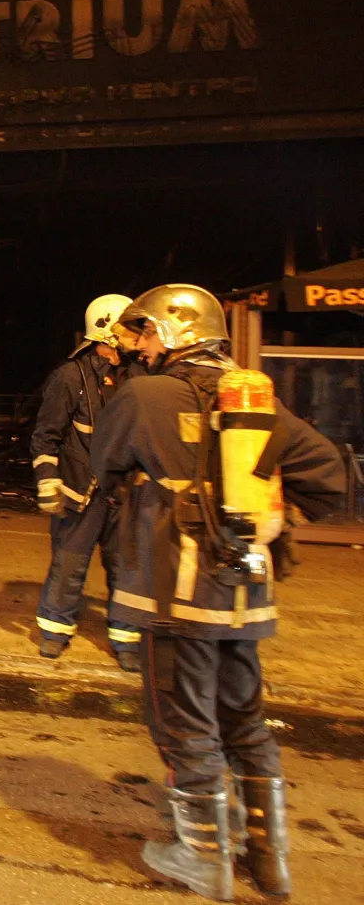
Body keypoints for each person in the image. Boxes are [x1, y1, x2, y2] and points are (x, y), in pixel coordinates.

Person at [92, 284, 344, 902]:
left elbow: (101, 465)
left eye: (146, 333)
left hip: (173, 596)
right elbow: (330, 480)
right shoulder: (252, 398)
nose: (139, 346)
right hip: (244, 594)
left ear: (176, 332)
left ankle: (201, 857)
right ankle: (269, 858)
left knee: (184, 724)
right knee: (245, 722)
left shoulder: (145, 394)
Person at [30, 293, 144, 670]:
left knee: (127, 565)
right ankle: (54, 631)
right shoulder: (70, 377)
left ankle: (127, 638)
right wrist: (48, 480)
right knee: (69, 563)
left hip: (125, 494)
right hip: (81, 492)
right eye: (132, 327)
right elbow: (46, 436)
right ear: (107, 330)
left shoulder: (140, 375)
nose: (139, 334)